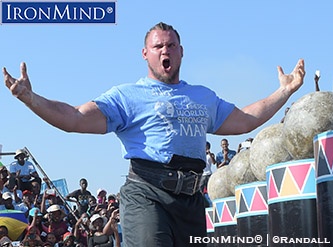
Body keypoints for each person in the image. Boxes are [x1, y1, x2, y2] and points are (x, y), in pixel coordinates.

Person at [3, 22, 305, 246]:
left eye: (171, 45)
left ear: (181, 52)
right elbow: (74, 118)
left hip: (191, 200)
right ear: (146, 54)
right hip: (147, 194)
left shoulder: (202, 96)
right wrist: (31, 99)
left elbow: (245, 121)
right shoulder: (127, 96)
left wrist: (284, 91)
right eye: (158, 46)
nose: (165, 51)